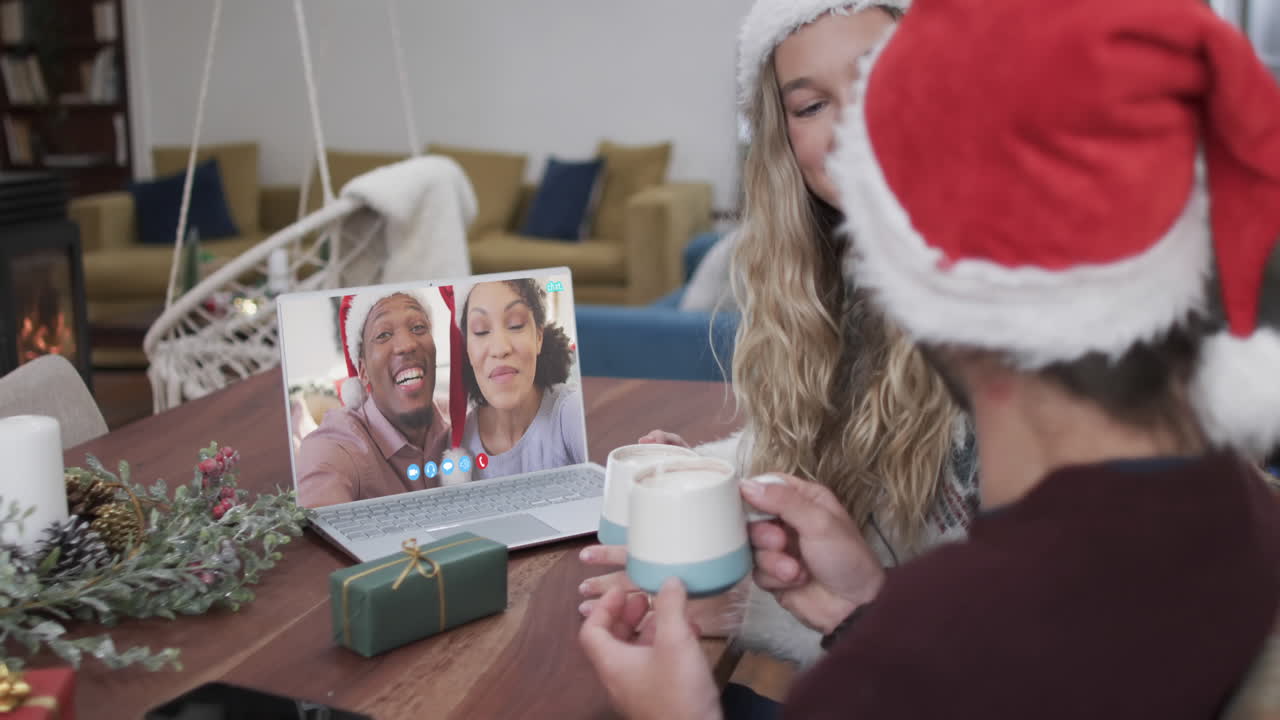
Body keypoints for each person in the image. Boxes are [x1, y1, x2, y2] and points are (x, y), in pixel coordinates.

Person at [579, 0, 1280, 716]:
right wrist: (864, 609)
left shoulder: (930, 644)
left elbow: (954, 663)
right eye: (813, 104)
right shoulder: (1237, 508)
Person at [577, 0, 979, 668]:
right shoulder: (841, 290)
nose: (850, 125)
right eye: (810, 105)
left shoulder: (1022, 333)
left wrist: (742, 607)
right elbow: (828, 470)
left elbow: (1009, 661)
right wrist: (705, 477)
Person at [296, 288, 464, 507]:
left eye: (418, 327)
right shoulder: (335, 447)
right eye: (383, 334)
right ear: (363, 371)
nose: (407, 344)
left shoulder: (465, 426)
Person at [456, 278, 586, 479]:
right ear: (468, 351)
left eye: (516, 325)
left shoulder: (569, 412)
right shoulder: (458, 443)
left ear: (538, 338)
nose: (500, 349)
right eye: (481, 331)